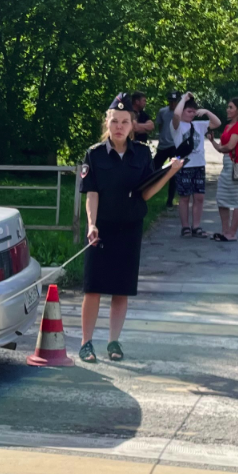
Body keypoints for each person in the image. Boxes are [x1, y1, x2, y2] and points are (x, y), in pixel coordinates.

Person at [78, 101, 185, 362]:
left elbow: (145, 192)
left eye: (124, 122)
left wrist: (169, 173)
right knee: (93, 288)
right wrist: (91, 224)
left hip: (130, 228)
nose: (119, 127)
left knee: (121, 289)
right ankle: (86, 343)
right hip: (101, 230)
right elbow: (91, 194)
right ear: (107, 123)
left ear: (132, 126)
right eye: (114, 121)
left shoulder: (141, 154)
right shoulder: (94, 155)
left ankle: (113, 342)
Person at [172, 93, 221, 237]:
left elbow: (217, 123)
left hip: (199, 165)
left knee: (199, 197)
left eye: (194, 111)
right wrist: (183, 99)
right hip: (184, 165)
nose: (192, 114)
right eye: (189, 111)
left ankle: (196, 226)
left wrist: (206, 112)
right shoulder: (177, 126)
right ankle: (185, 226)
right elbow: (175, 115)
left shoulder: (198, 125)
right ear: (182, 111)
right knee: (185, 197)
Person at [212, 97, 238, 242]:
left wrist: (221, 148)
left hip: (236, 164)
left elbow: (229, 146)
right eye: (228, 107)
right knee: (221, 198)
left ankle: (232, 233)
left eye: (231, 107)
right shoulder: (228, 126)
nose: (228, 110)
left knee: (236, 199)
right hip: (227, 164)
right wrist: (212, 141)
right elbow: (221, 147)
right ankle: (225, 231)